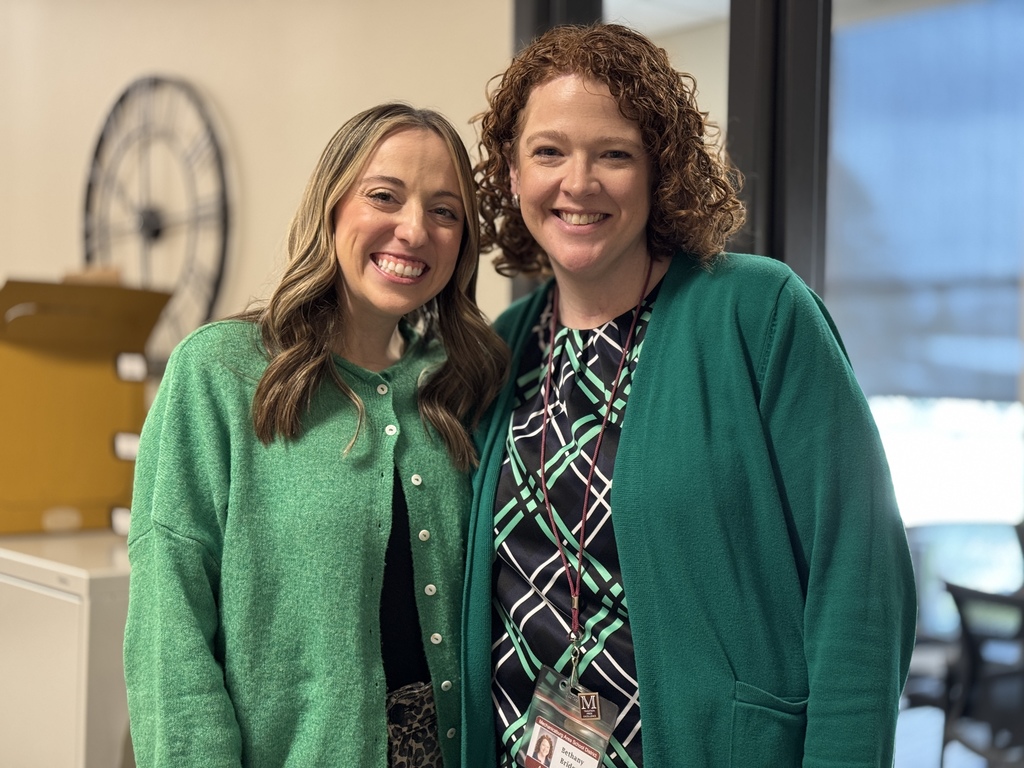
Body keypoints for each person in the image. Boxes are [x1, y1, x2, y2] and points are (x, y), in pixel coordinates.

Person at [460, 23, 917, 767]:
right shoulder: (503, 346)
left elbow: (860, 578)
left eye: (614, 153)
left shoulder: (759, 314)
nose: (578, 183)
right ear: (512, 173)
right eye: (549, 152)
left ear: (657, 171)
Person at [123, 102, 507, 767]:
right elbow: (169, 631)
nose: (414, 229)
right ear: (331, 206)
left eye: (445, 212)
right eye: (384, 196)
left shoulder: (462, 387)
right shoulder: (220, 372)